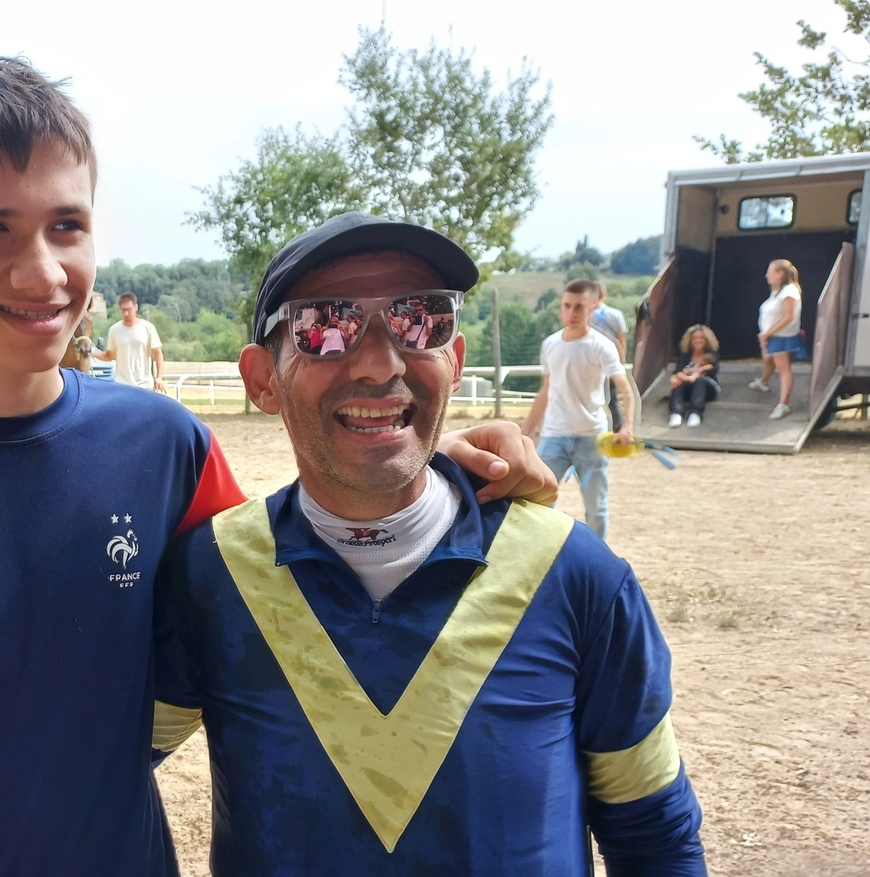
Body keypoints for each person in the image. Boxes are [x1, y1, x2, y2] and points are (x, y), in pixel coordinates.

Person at [0, 58, 555, 877]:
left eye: (65, 225)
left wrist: (425, 462)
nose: (42, 269)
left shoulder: (164, 449)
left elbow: (290, 580)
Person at [151, 213, 705, 875]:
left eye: (422, 319)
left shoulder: (575, 574)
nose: (381, 361)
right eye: (325, 325)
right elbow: (83, 773)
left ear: (455, 358)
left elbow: (655, 836)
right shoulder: (211, 575)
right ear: (262, 378)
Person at [522, 279, 637, 542]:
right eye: (566, 306)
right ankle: (540, 555)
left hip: (591, 437)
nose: (571, 313)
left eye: (579, 307)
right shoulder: (550, 344)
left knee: (596, 507)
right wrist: (527, 430)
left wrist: (627, 426)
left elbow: (625, 388)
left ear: (593, 308)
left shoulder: (602, 346)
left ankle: (598, 564)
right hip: (553, 436)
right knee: (538, 502)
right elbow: (545, 391)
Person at [749, 258, 804, 419]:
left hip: (780, 336)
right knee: (768, 359)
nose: (767, 275)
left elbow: (789, 316)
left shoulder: (789, 291)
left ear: (780, 274)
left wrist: (768, 332)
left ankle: (783, 404)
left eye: (770, 272)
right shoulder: (778, 291)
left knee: (783, 369)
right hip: (771, 335)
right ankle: (763, 382)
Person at [92, 291, 165, 390]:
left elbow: (158, 354)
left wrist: (159, 377)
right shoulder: (114, 330)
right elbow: (109, 356)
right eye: (123, 310)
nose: (126, 313)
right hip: (122, 384)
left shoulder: (148, 328)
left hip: (144, 384)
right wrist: (91, 352)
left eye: (129, 309)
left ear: (136, 307)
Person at [589, 281, 629, 430]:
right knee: (613, 399)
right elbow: (622, 343)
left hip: (590, 363)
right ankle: (618, 429)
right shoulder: (617, 314)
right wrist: (620, 364)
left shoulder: (585, 316)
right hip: (611, 363)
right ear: (604, 294)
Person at [668, 325, 720, 428]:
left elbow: (713, 370)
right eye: (695, 338)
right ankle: (676, 413)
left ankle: (696, 413)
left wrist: (697, 372)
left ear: (707, 340)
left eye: (701, 338)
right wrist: (676, 378)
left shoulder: (711, 354)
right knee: (679, 381)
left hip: (707, 388)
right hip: (688, 387)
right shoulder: (685, 355)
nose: (698, 340)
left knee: (700, 380)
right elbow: (678, 371)